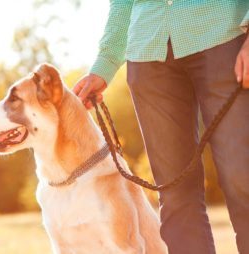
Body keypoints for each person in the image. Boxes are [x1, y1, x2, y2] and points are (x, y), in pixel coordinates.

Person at [73, 1, 249, 253]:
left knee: (242, 177)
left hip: (222, 33)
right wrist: (106, 61)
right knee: (175, 194)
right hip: (148, 50)